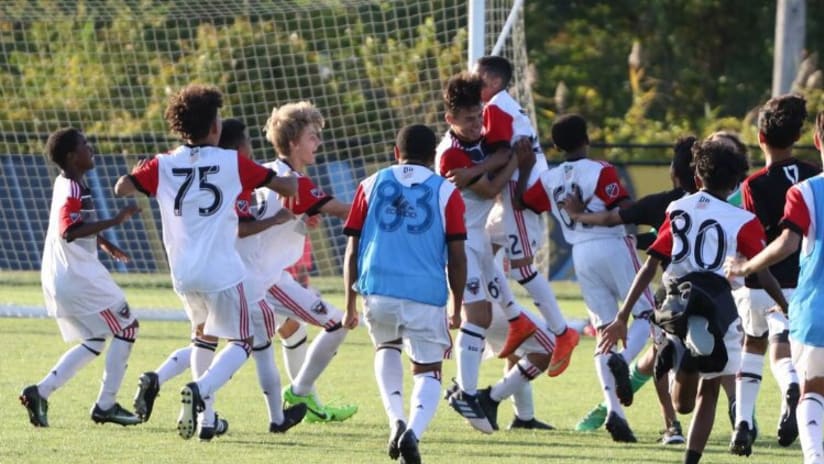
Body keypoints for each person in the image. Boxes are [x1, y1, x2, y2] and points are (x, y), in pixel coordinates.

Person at [113, 84, 300, 440]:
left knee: (202, 338)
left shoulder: (163, 163)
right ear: (215, 127)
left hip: (183, 273)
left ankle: (207, 420)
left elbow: (122, 187)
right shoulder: (231, 161)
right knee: (243, 342)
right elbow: (286, 189)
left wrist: (139, 175)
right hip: (222, 271)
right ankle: (200, 390)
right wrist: (293, 180)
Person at [600, 139, 788, 464]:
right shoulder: (742, 219)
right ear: (734, 183)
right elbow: (764, 273)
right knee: (708, 391)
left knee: (680, 403)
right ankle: (698, 452)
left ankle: (674, 356)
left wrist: (622, 316)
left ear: (697, 177)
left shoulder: (677, 209)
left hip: (674, 300)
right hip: (716, 302)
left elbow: (651, 265)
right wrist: (785, 305)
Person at [520, 114, 654, 442]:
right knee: (650, 315)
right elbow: (622, 206)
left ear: (555, 146)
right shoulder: (601, 169)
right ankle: (623, 360)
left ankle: (614, 410)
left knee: (604, 330)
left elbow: (527, 199)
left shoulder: (549, 179)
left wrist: (525, 166)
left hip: (580, 253)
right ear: (587, 138)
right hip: (612, 244)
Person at [342, 124, 467, 464]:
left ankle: (395, 419)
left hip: (377, 289)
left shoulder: (369, 184)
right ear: (434, 159)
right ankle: (412, 430)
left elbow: (352, 249)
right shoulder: (447, 192)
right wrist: (458, 304)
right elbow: (457, 256)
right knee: (428, 370)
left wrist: (350, 304)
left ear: (396, 154)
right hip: (425, 293)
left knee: (386, 347)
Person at [562, 136, 699, 444]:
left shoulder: (662, 204)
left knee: (660, 351)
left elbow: (614, 217)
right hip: (717, 293)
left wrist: (578, 216)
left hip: (674, 294)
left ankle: (671, 426)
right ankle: (742, 420)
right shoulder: (722, 204)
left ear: (674, 173)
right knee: (730, 362)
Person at [435, 71, 546, 433]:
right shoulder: (450, 151)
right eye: (467, 120)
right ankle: (465, 392)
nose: (475, 125)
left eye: (479, 117)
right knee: (479, 317)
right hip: (458, 242)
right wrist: (515, 160)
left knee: (505, 323)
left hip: (479, 243)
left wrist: (488, 164)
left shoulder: (477, 143)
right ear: (450, 119)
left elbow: (494, 158)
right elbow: (492, 188)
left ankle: (520, 414)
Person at [20, 127, 142, 427]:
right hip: (78, 276)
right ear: (73, 156)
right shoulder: (74, 189)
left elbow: (76, 224)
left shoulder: (69, 183)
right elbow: (68, 230)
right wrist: (115, 220)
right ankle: (106, 405)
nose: (92, 148)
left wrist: (104, 242)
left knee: (95, 339)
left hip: (62, 275)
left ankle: (41, 391)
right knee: (128, 328)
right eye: (86, 145)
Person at [727, 110, 824, 464]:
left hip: (793, 294)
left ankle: (748, 421)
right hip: (802, 289)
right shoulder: (809, 173)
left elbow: (779, 240)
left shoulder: (776, 187)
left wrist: (746, 266)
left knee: (761, 348)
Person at [472, 56, 579, 374]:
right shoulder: (502, 106)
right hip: (510, 199)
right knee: (480, 253)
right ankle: (515, 318)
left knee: (521, 269)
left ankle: (562, 332)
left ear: (492, 81)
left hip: (519, 197)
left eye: (477, 78)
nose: (473, 83)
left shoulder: (495, 108)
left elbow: (505, 152)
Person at [258, 101, 358, 423]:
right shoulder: (293, 180)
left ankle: (309, 402)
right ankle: (300, 391)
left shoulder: (269, 172)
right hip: (267, 279)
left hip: (255, 274)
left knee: (290, 329)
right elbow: (344, 210)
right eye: (312, 136)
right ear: (293, 143)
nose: (318, 143)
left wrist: (302, 219)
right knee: (338, 322)